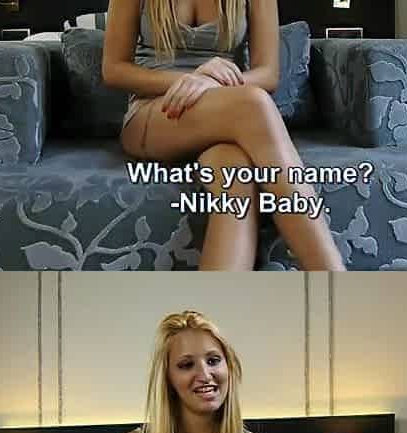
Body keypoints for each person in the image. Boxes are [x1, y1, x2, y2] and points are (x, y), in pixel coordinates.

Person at [102, 0, 346, 271]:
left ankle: (219, 299)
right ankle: (330, 273)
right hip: (157, 111)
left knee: (236, 175)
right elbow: (114, 69)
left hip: (225, 113)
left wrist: (210, 84)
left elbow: (268, 74)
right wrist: (189, 81)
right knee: (254, 103)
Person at [109, 310, 277, 433]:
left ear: (229, 367)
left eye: (213, 361)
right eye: (187, 365)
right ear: (167, 378)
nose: (205, 375)